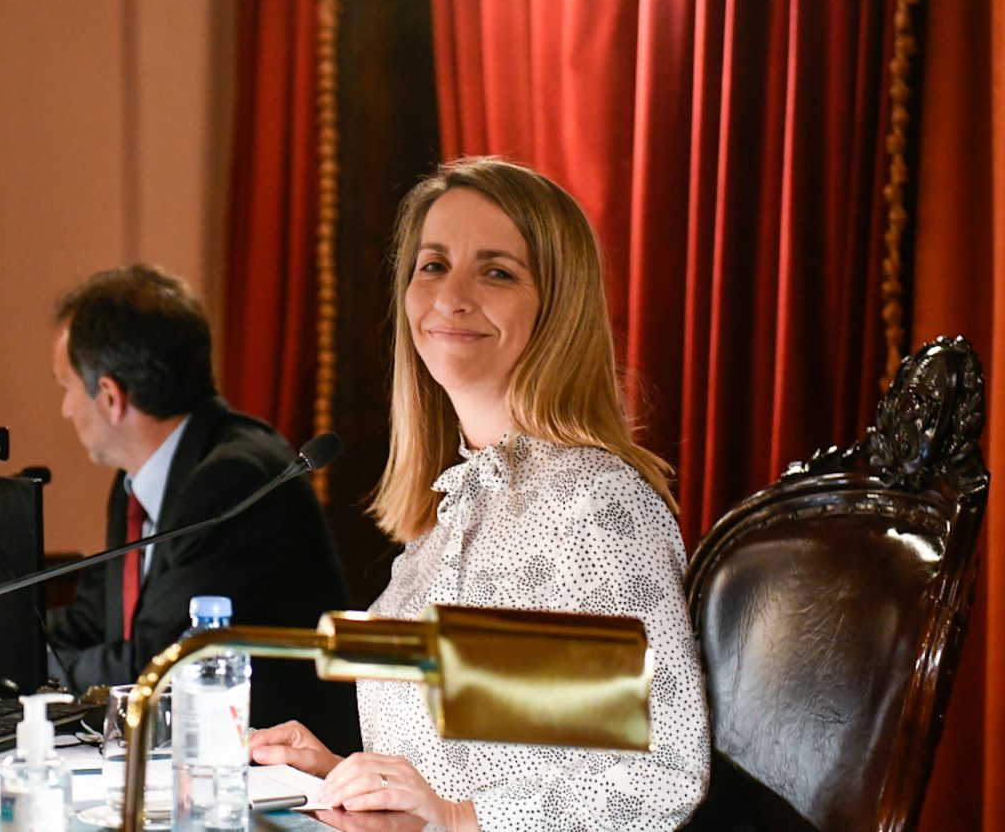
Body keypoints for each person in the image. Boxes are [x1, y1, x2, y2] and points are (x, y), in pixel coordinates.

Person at [251, 158, 710, 830]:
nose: (450, 296)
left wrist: (455, 816)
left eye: (496, 272)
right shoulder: (449, 511)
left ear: (557, 306)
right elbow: (475, 765)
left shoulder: (596, 503)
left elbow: (660, 774)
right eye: (433, 265)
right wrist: (337, 774)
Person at [45, 264, 359, 753]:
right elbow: (95, 620)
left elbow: (155, 668)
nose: (65, 409)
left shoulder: (234, 480)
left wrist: (31, 665)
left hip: (277, 771)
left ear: (109, 397)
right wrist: (1, 641)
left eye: (66, 388)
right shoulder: (136, 482)